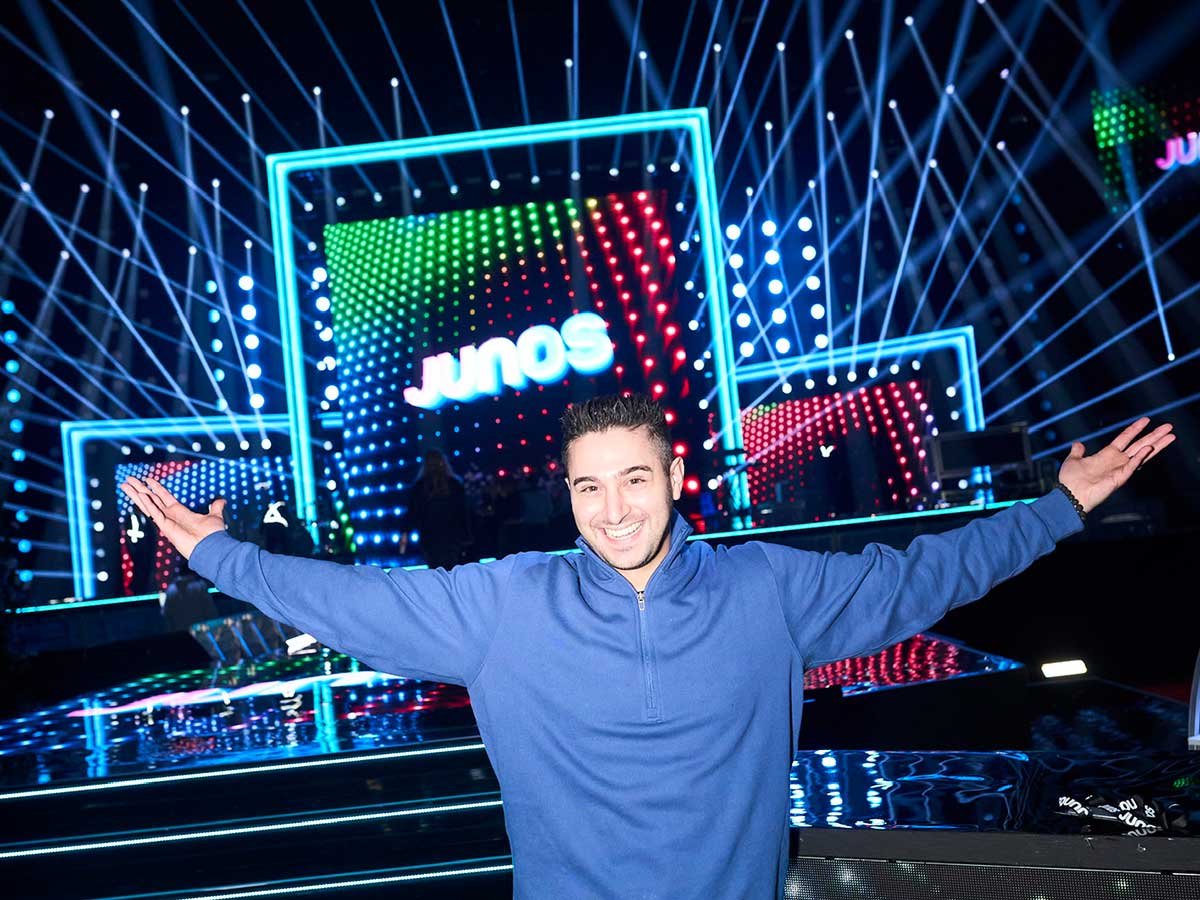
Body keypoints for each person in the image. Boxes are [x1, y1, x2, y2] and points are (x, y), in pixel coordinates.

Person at [121, 393, 1174, 900]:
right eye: (589, 486)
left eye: (634, 479)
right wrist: (223, 552)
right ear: (567, 495)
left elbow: (919, 576)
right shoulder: (507, 604)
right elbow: (352, 601)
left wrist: (1056, 511)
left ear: (672, 479)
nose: (614, 509)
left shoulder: (769, 587)